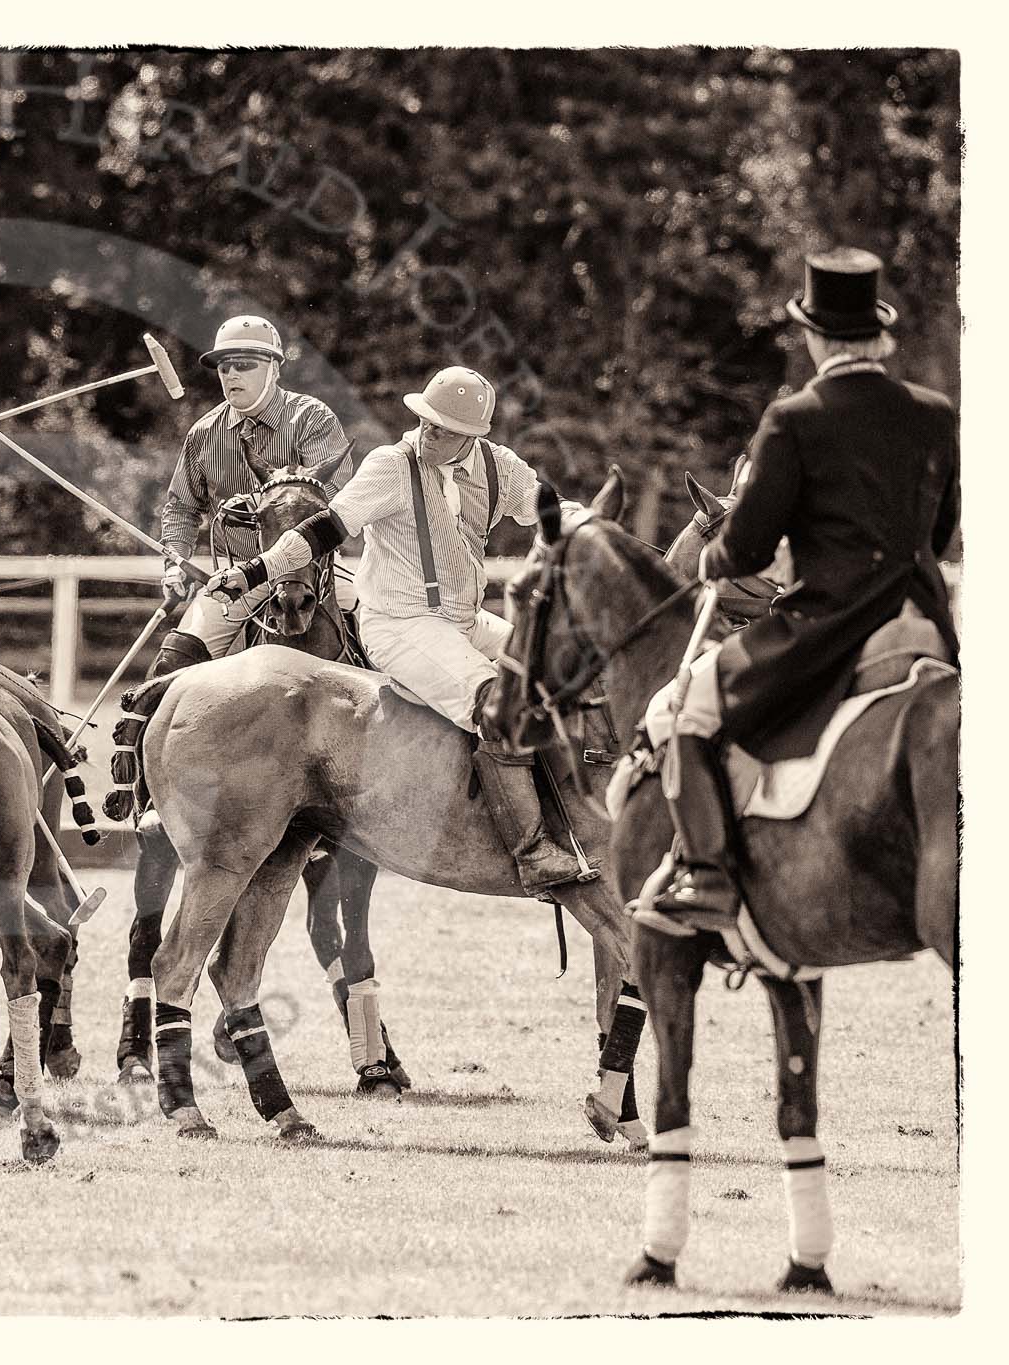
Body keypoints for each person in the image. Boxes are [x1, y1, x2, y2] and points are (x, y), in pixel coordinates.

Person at [647, 248, 959, 930]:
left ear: (815, 336)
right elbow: (940, 532)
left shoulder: (796, 417)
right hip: (922, 624)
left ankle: (708, 879)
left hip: (828, 626)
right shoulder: (935, 414)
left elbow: (750, 547)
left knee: (680, 713)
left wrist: (709, 563)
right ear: (879, 334)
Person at [207, 364, 589, 892]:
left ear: (473, 437)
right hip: (398, 623)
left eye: (443, 429)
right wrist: (255, 572)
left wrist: (591, 529)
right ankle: (533, 851)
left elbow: (551, 510)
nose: (427, 433)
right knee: (500, 706)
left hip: (464, 621)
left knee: (573, 674)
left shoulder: (500, 467)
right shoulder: (391, 465)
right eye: (425, 421)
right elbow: (325, 528)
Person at [143, 315, 355, 681]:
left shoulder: (312, 419)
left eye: (244, 366)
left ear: (273, 368)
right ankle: (135, 737)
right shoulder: (203, 433)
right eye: (224, 368)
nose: (231, 375)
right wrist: (175, 562)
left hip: (313, 573)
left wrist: (262, 504)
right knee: (169, 666)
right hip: (235, 580)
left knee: (387, 642)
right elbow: (181, 507)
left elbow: (335, 496)